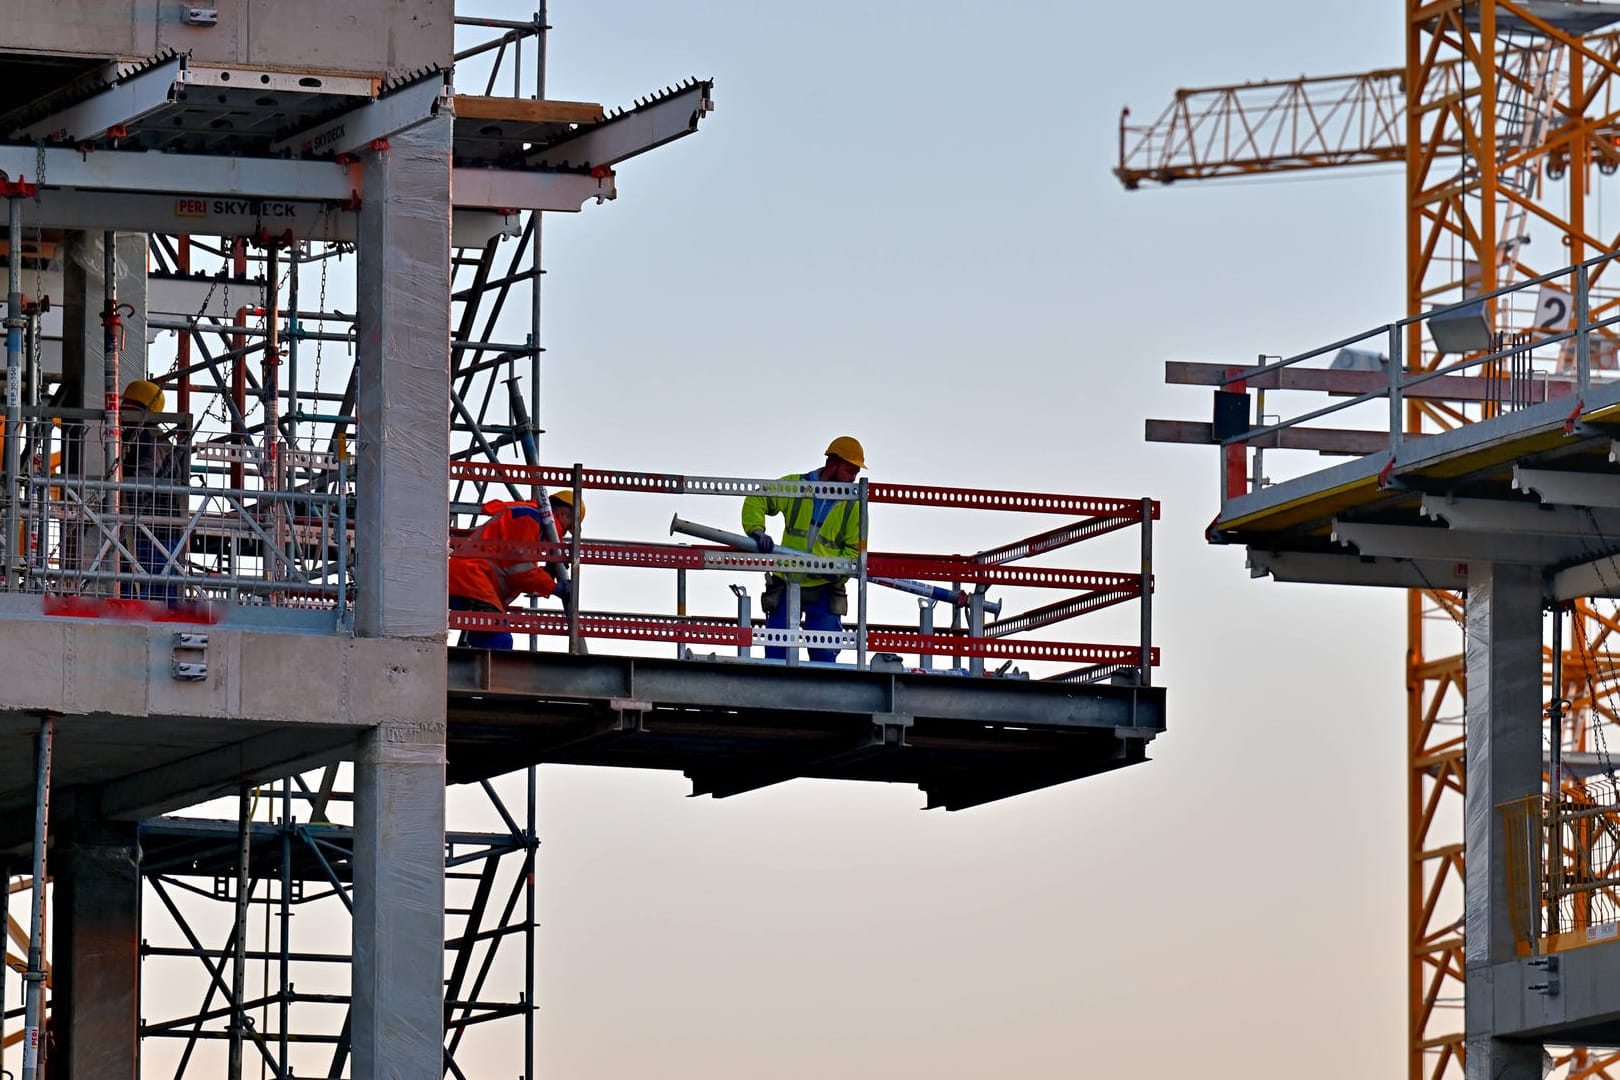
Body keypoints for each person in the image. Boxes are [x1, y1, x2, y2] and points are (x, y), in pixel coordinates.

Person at [741, 436, 865, 663]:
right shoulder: (797, 487)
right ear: (833, 463)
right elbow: (757, 499)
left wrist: (835, 568)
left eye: (856, 473)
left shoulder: (853, 504)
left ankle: (823, 697)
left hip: (824, 587)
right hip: (787, 582)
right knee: (777, 654)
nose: (853, 478)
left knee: (824, 658)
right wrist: (757, 531)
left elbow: (854, 554)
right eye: (850, 471)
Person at [448, 490, 582, 649]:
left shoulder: (531, 523)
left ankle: (475, 671)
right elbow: (520, 571)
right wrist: (553, 587)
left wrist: (547, 574)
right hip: (472, 579)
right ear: (562, 515)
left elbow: (517, 568)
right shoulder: (529, 519)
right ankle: (485, 671)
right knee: (498, 641)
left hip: (471, 580)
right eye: (567, 528)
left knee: (488, 639)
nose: (564, 534)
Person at [119, 379, 186, 601]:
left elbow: (142, 482)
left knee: (148, 598)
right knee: (158, 597)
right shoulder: (154, 438)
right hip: (160, 531)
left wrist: (113, 500)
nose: (120, 409)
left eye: (126, 403)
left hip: (152, 533)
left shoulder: (146, 439)